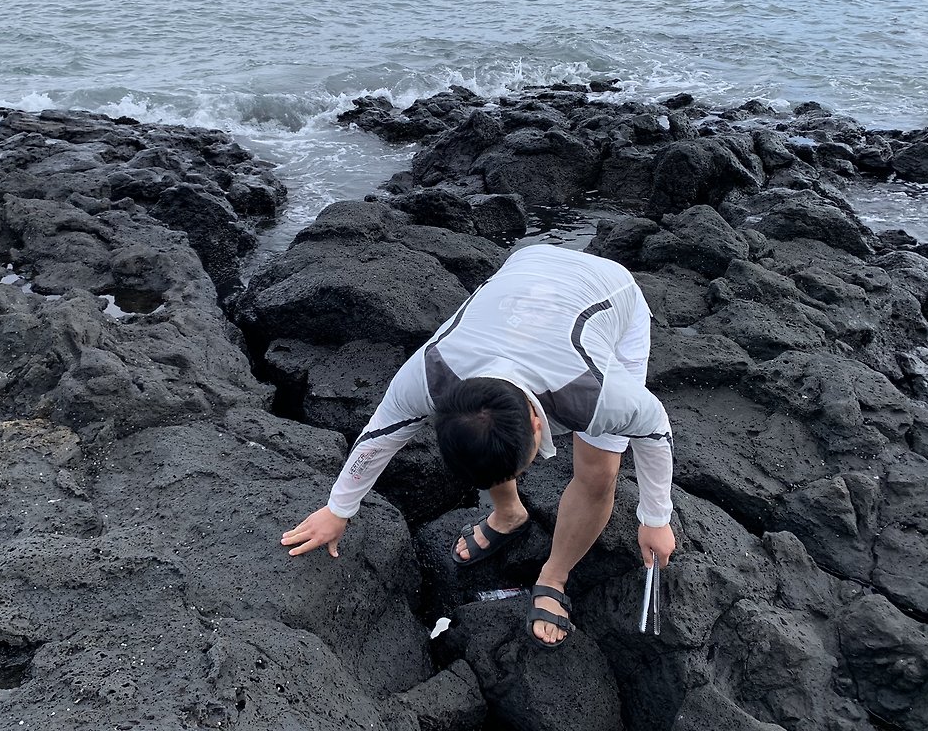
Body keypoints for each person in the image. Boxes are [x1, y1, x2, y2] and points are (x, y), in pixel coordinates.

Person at [281, 244, 676, 648]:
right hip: (529, 263)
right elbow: (378, 437)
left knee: (599, 473)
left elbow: (656, 430)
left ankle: (554, 577)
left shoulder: (598, 395)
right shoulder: (430, 373)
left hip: (613, 293)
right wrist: (338, 509)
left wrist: (655, 518)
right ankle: (509, 514)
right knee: (484, 446)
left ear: (538, 425)